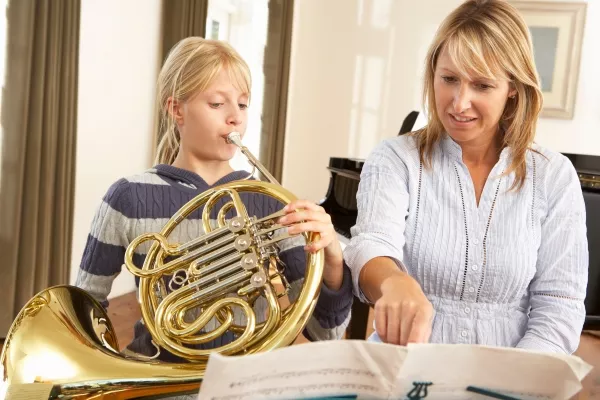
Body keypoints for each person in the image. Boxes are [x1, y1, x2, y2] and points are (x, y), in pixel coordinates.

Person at [75, 37, 353, 366]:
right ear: (177, 109)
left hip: (248, 380)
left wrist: (333, 261)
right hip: (158, 378)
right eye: (217, 104)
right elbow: (85, 307)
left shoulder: (270, 202)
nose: (235, 117)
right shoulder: (127, 197)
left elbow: (325, 333)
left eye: (243, 104)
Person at [344, 0, 588, 354]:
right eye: (449, 79)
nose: (459, 103)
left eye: (482, 86)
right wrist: (394, 280)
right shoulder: (395, 158)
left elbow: (559, 304)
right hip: (404, 366)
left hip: (515, 374)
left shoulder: (554, 176)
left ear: (513, 87)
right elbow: (371, 243)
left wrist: (509, 385)